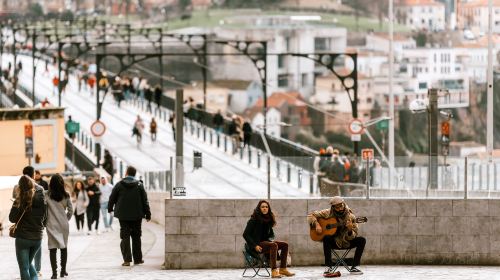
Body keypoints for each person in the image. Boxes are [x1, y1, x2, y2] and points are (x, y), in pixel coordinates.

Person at [307, 196, 365, 277]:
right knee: (326, 238)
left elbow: (353, 236)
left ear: (344, 204)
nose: (340, 209)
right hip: (334, 242)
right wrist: (317, 224)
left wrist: (349, 230)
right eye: (337, 207)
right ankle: (328, 267)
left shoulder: (351, 217)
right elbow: (311, 215)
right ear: (333, 207)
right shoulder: (328, 213)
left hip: (346, 241)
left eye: (341, 206)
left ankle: (355, 267)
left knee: (362, 240)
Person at [108, 166, 151, 267]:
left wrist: (110, 209)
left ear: (126, 172)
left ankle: (127, 260)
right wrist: (148, 213)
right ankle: (138, 259)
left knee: (125, 236)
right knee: (136, 236)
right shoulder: (139, 185)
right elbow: (145, 200)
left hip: (123, 215)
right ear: (135, 174)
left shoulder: (119, 185)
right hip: (137, 215)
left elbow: (112, 198)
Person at [243, 200, 294, 278]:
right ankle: (274, 271)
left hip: (265, 243)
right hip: (256, 245)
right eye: (262, 207)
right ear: (259, 208)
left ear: (268, 209)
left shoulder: (268, 220)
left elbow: (269, 235)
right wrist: (255, 246)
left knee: (284, 245)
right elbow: (245, 234)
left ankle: (283, 269)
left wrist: (270, 240)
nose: (265, 208)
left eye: (266, 207)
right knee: (273, 245)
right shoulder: (253, 220)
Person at [9, 175, 47, 280]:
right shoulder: (42, 197)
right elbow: (45, 216)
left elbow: (12, 218)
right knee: (29, 264)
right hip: (38, 237)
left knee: (24, 268)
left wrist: (16, 203)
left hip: (23, 238)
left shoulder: (20, 199)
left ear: (20, 187)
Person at [45, 174, 73, 279]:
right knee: (64, 247)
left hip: (51, 224)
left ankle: (54, 273)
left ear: (51, 183)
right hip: (63, 224)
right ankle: (63, 271)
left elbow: (43, 209)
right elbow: (71, 210)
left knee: (52, 248)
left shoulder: (46, 195)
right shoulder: (66, 195)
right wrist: (66, 219)